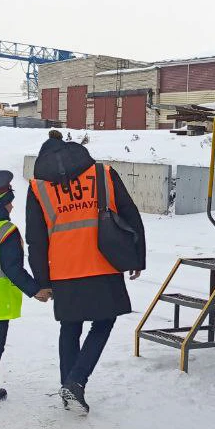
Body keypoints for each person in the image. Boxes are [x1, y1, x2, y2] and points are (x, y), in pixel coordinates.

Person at [26, 130, 145, 414]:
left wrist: (42, 280)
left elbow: (36, 237)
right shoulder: (102, 173)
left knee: (70, 326)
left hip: (64, 268)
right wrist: (136, 257)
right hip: (103, 262)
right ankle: (76, 382)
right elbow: (130, 214)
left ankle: (70, 384)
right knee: (104, 322)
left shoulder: (39, 187)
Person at [0, 170, 48, 404]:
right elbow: (13, 268)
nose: (12, 208)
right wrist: (36, 290)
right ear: (1, 204)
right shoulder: (5, 231)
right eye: (9, 204)